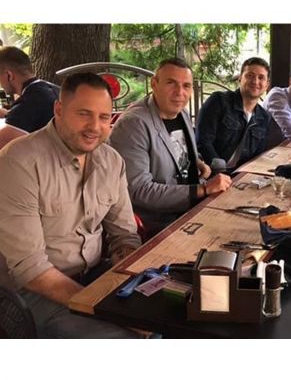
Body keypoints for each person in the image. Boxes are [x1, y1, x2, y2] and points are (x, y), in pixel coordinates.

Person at [0, 72, 142, 338]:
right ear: (59, 110)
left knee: (171, 315)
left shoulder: (111, 161)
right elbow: (31, 270)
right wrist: (106, 308)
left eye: (104, 117)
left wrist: (128, 277)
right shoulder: (19, 162)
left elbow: (124, 234)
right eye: (84, 114)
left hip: (94, 275)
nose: (94, 127)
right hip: (31, 295)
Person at [109, 58, 231, 238]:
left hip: (191, 210)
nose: (179, 92)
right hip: (156, 226)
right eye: (171, 83)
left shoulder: (181, 113)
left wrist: (197, 162)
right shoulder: (133, 124)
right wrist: (203, 190)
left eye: (186, 86)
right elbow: (139, 191)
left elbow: (174, 149)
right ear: (154, 84)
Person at [196, 57, 271, 171]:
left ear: (266, 85)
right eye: (250, 76)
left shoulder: (264, 117)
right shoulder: (219, 101)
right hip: (210, 171)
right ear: (240, 78)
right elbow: (203, 142)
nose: (255, 81)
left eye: (261, 77)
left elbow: (257, 156)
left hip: (240, 173)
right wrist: (220, 171)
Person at [0, 46, 59, 149]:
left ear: (9, 75)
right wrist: (8, 114)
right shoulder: (51, 89)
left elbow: (2, 143)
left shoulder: (29, 102)